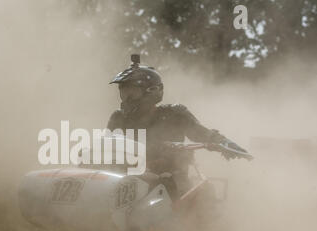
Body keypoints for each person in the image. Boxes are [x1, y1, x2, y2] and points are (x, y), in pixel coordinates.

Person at [107, 54, 249, 197]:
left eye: (132, 92)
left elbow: (201, 133)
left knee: (180, 191)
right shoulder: (118, 118)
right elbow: (106, 148)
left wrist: (223, 142)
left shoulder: (174, 114)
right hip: (128, 182)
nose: (127, 99)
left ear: (152, 91)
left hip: (173, 184)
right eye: (124, 93)